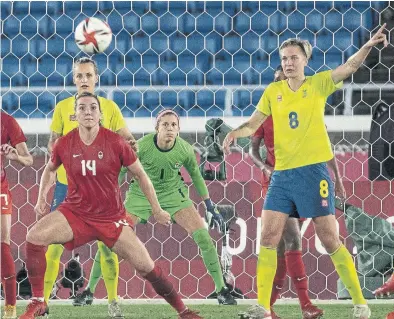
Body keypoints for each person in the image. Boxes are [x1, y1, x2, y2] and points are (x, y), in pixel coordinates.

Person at [224, 24, 388, 319]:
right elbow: (253, 122)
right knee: (268, 238)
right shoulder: (273, 91)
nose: (288, 63)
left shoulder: (318, 84)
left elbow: (349, 66)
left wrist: (369, 45)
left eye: (293, 57)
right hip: (282, 176)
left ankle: (360, 302)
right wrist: (236, 132)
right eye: (284, 58)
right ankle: (263, 306)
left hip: (313, 174)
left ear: (305, 60)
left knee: (329, 239)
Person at [19, 93, 202, 319]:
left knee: (146, 266)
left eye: (93, 108)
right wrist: (40, 198)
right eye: (83, 108)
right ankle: (38, 302)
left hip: (111, 219)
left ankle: (183, 311)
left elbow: (141, 176)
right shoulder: (64, 143)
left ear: (100, 114)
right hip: (75, 213)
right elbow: (49, 169)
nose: (88, 112)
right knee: (34, 237)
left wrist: (156, 208)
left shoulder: (116, 143)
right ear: (75, 115)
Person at [74, 109, 236, 306]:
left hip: (173, 194)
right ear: (156, 127)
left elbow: (195, 176)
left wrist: (209, 205)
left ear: (178, 129)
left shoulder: (184, 149)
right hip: (140, 195)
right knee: (112, 238)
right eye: (165, 124)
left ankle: (221, 290)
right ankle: (89, 291)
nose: (169, 128)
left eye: (173, 125)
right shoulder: (142, 147)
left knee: (203, 236)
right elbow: (122, 170)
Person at [250, 67, 346, 319]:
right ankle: (305, 305)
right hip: (276, 182)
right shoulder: (266, 114)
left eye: (282, 78)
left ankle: (267, 307)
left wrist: (337, 178)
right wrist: (265, 167)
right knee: (292, 237)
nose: (280, 82)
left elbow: (325, 147)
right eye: (275, 80)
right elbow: (252, 149)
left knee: (282, 248)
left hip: (305, 180)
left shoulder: (307, 111)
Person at [44, 57, 136, 317]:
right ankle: (43, 301)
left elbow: (127, 138)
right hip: (66, 187)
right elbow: (53, 144)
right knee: (54, 246)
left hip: (101, 192)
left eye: (88, 75)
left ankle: (113, 302)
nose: (84, 80)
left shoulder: (109, 107)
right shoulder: (63, 108)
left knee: (107, 248)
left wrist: (130, 146)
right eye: (79, 76)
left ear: (97, 78)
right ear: (73, 79)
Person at [1, 112, 33, 319]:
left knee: (3, 244)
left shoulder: (7, 122)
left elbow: (29, 160)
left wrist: (15, 156)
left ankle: (10, 310)